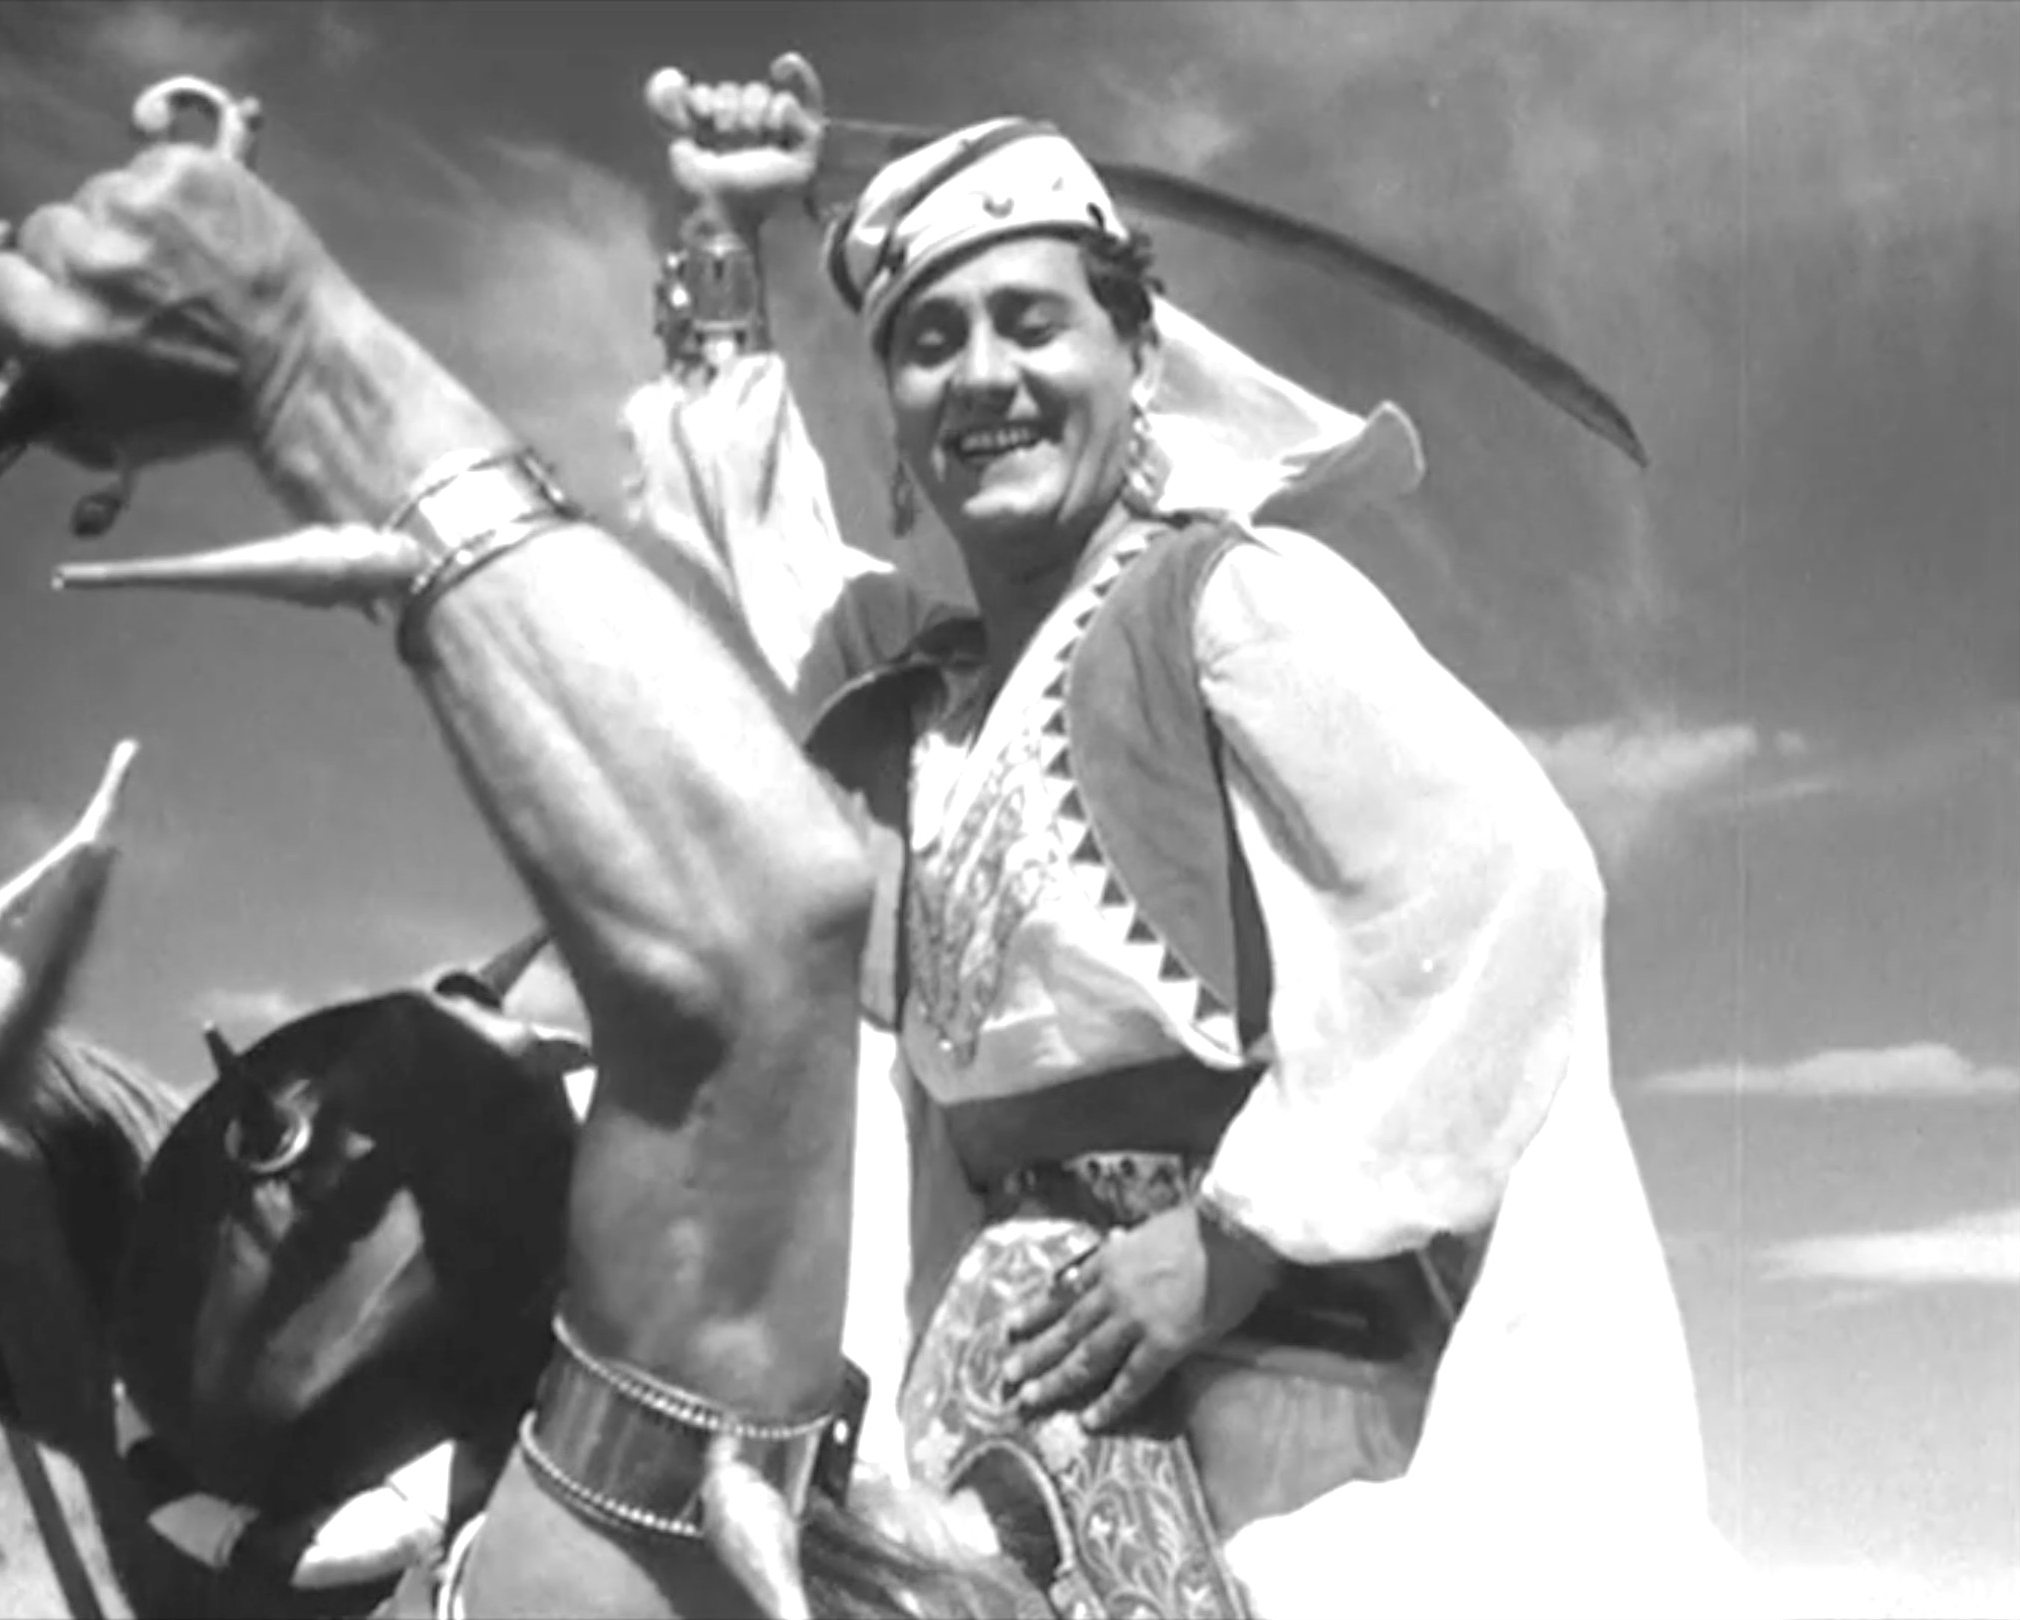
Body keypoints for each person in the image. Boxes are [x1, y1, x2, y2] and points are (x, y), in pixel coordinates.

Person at [626, 55, 1747, 1617]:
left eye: (1033, 323)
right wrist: (723, 235)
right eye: (931, 343)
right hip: (990, 1387)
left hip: (1264, 1397)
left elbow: (1508, 883)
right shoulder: (921, 688)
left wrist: (1229, 1242)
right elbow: (763, 557)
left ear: (1137, 355)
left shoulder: (1230, 601)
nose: (984, 376)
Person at [0, 99, 975, 1618]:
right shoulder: (868, 665)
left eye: (1029, 321)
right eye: (934, 337)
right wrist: (289, 353)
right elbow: (759, 882)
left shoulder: (1200, 606)